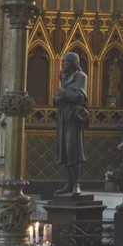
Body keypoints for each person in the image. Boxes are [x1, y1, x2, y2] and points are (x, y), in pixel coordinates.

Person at [52, 51, 89, 195]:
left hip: (74, 117)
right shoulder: (64, 77)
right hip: (63, 117)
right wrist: (56, 98)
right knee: (64, 152)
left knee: (72, 150)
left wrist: (64, 95)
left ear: (73, 63)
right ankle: (68, 183)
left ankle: (76, 184)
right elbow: (58, 94)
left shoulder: (81, 76)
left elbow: (80, 96)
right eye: (62, 62)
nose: (63, 65)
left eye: (65, 62)